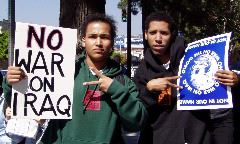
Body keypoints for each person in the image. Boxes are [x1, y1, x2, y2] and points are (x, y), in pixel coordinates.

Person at [3, 13, 148, 144]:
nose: (98, 42)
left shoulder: (123, 81)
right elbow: (20, 104)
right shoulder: (61, 71)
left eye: (104, 37)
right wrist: (12, 83)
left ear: (112, 42)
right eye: (92, 36)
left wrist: (115, 90)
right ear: (83, 41)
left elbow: (137, 122)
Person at [133, 11, 239, 144]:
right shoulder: (142, 72)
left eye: (164, 33)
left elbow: (221, 113)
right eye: (153, 32)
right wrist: (149, 90)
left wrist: (236, 80)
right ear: (145, 34)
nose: (158, 38)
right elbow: (136, 115)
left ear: (172, 35)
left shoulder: (195, 60)